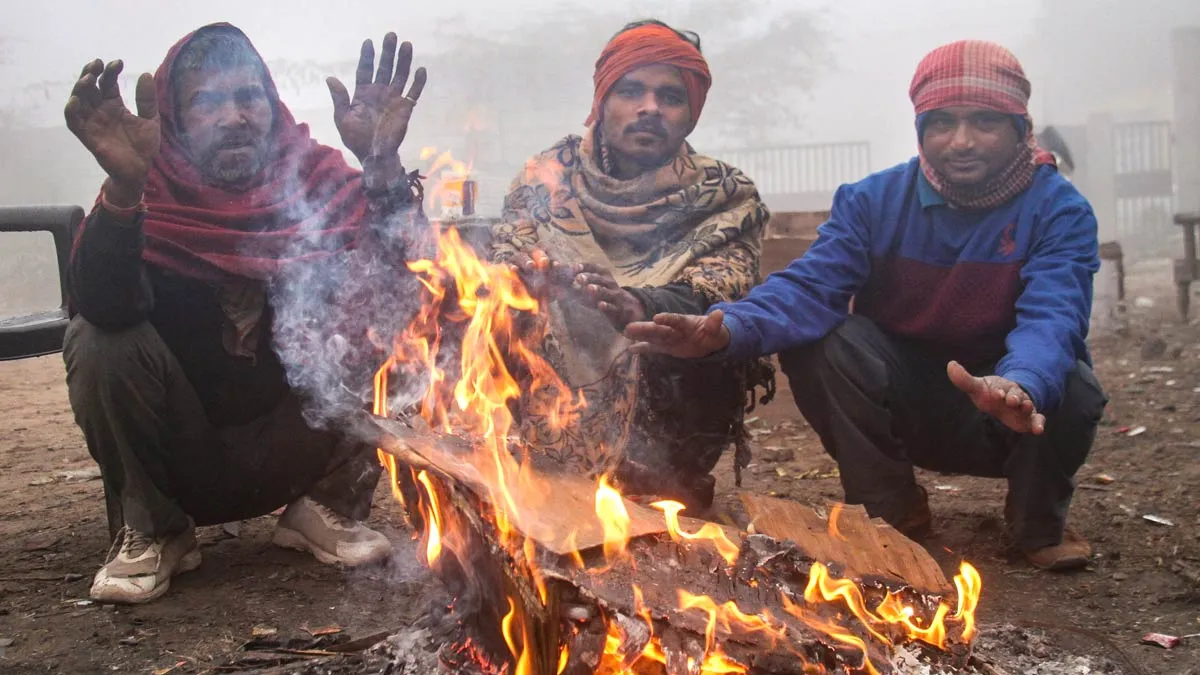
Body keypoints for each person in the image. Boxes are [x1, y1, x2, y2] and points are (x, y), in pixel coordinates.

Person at [624, 40, 1108, 570]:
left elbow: (1054, 314)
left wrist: (1022, 382)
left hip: (1007, 412)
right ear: (921, 129)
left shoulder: (1059, 210)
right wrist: (726, 327)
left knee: (1074, 384)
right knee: (824, 343)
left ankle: (1038, 522)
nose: (961, 141)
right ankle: (891, 515)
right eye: (942, 123)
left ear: (1020, 128)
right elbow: (810, 288)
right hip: (907, 400)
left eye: (985, 123)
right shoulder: (873, 200)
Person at [63, 23, 428, 603]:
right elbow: (104, 307)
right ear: (176, 120)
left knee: (394, 309)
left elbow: (408, 273)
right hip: (184, 454)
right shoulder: (145, 191)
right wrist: (125, 190)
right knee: (99, 343)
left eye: (247, 96)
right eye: (205, 101)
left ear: (271, 103)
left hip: (296, 442)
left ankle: (327, 506)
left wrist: (382, 166)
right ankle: (158, 530)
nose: (232, 116)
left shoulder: (319, 180)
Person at [490, 19, 774, 511]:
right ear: (602, 103)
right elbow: (505, 256)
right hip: (551, 376)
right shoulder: (545, 179)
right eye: (631, 91)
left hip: (672, 396)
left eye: (670, 97)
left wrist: (636, 304)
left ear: (690, 115)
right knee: (493, 307)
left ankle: (666, 480)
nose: (650, 108)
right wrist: (531, 279)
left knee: (698, 332)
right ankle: (539, 467)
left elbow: (717, 286)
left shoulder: (727, 198)